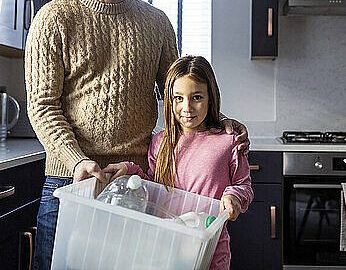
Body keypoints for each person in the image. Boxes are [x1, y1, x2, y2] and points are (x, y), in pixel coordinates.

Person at [25, 0, 249, 270]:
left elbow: (176, 92)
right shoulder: (54, 18)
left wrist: (218, 120)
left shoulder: (157, 23)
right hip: (71, 182)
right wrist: (78, 160)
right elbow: (43, 105)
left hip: (137, 186)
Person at [105, 55, 253, 270]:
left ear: (211, 98)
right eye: (178, 98)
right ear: (169, 100)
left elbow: (244, 186)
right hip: (163, 246)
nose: (187, 108)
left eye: (197, 97)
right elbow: (155, 189)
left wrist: (234, 196)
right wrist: (130, 170)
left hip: (210, 249)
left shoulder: (229, 141)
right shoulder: (160, 142)